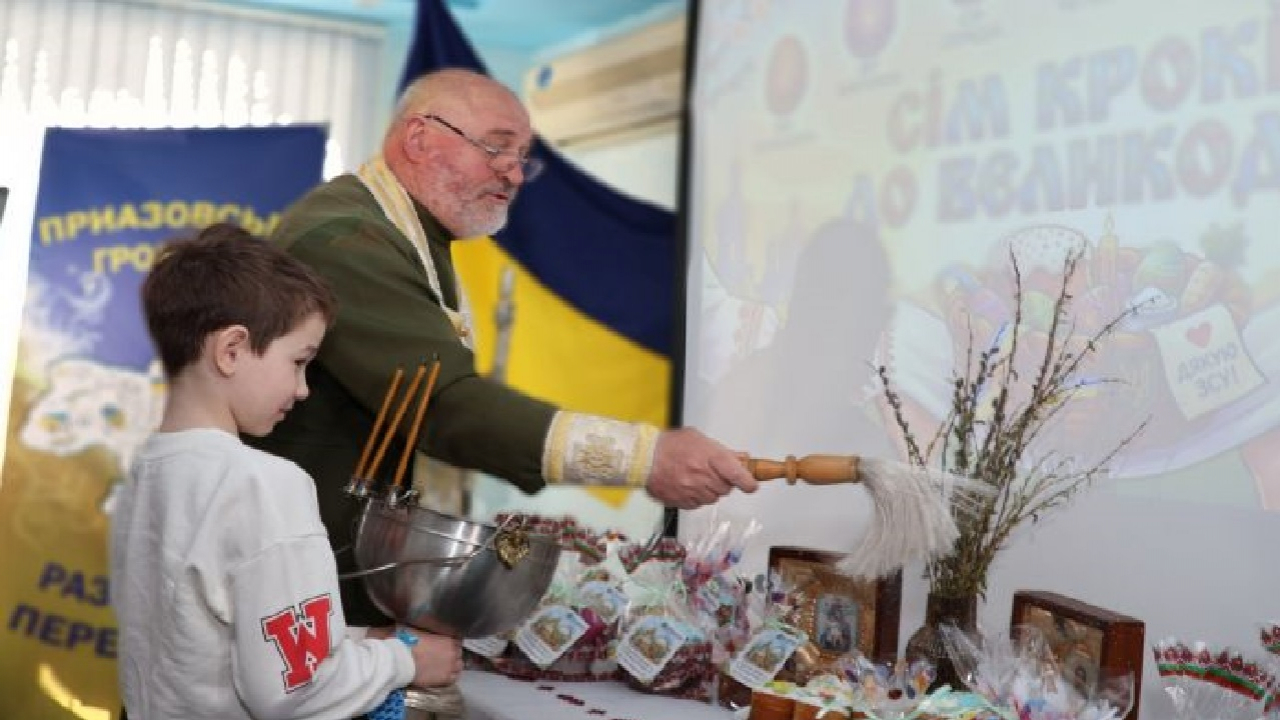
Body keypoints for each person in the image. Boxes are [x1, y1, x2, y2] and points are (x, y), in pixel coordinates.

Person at [249, 67, 760, 628]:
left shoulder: (403, 231)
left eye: (522, 157)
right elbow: (444, 404)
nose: (514, 174)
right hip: (292, 578)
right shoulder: (348, 239)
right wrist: (644, 457)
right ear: (419, 139)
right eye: (496, 148)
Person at [109, 224, 462, 720]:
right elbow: (297, 690)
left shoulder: (147, 469)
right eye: (299, 361)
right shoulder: (264, 483)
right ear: (231, 350)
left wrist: (360, 639)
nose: (302, 389)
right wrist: (404, 659)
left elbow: (215, 636)